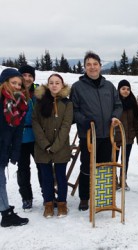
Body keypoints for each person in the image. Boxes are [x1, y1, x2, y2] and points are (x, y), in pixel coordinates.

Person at [70, 51, 122, 211]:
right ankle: (84, 197)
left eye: (95, 64)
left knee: (104, 166)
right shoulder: (78, 87)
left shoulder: (109, 86)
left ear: (100, 66)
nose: (92, 67)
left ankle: (102, 196)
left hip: (107, 135)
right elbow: (74, 109)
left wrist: (114, 117)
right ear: (84, 67)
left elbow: (118, 105)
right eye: (89, 64)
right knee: (87, 166)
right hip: (89, 135)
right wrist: (83, 120)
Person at [32, 74, 73, 218]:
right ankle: (48, 204)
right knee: (46, 177)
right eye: (51, 83)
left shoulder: (67, 104)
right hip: (42, 148)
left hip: (60, 147)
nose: (54, 85)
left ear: (62, 85)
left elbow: (66, 126)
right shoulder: (40, 102)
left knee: (61, 177)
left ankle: (62, 203)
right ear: (47, 85)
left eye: (57, 83)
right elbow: (35, 123)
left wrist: (55, 146)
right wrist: (45, 145)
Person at [0, 68, 29, 227]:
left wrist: (15, 153)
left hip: (4, 149)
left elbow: (18, 132)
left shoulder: (21, 104)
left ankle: (5, 212)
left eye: (19, 84)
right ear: (5, 82)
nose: (17, 86)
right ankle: (6, 214)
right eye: (14, 83)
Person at [17, 65, 43, 211]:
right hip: (20, 138)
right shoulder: (14, 91)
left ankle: (47, 194)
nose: (27, 78)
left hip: (37, 136)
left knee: (42, 166)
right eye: (24, 75)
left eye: (30, 76)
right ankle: (26, 198)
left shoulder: (39, 92)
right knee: (23, 169)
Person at [114, 79, 138, 191]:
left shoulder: (133, 103)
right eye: (123, 89)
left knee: (125, 159)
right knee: (114, 159)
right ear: (119, 90)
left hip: (129, 136)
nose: (126, 91)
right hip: (116, 136)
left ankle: (123, 179)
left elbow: (136, 120)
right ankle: (114, 179)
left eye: (128, 89)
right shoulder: (115, 103)